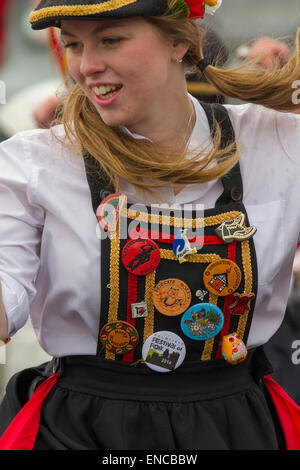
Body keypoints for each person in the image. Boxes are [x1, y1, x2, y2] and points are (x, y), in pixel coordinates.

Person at [0, 0, 300, 451]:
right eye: (74, 45)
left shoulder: (279, 143)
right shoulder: (34, 163)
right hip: (81, 429)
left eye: (111, 40)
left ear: (178, 39)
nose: (86, 66)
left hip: (236, 426)